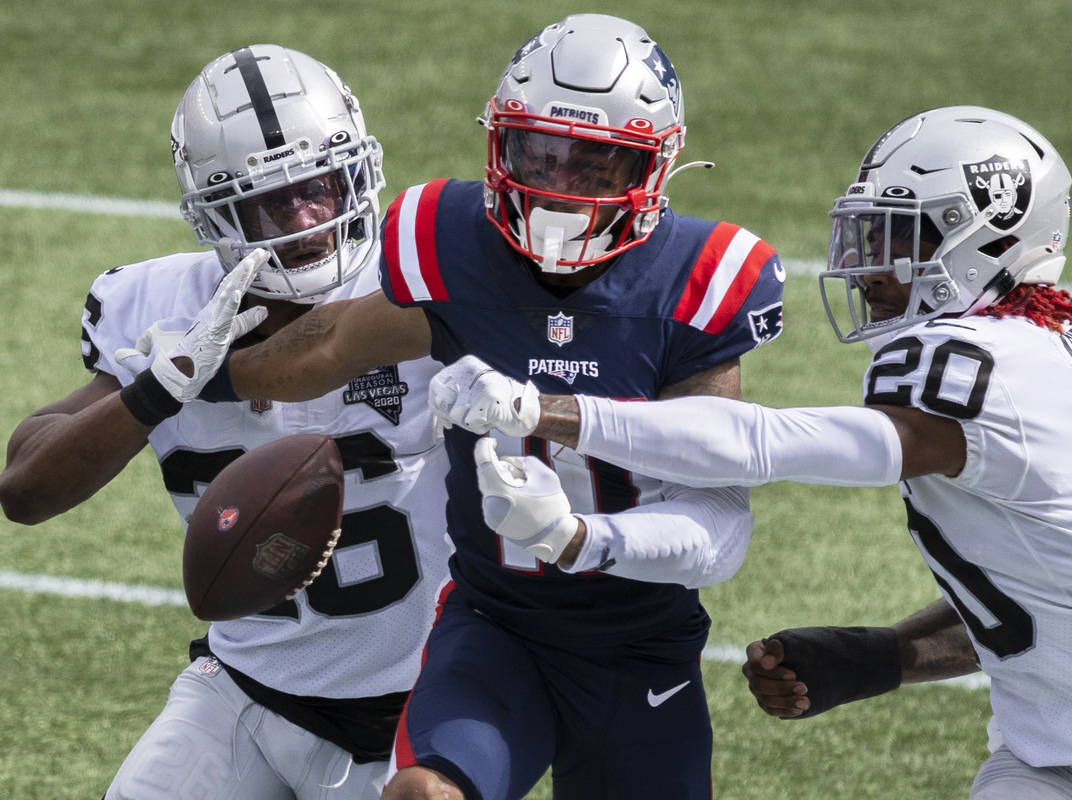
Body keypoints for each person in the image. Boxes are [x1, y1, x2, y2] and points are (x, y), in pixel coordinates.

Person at [429, 106, 1072, 799]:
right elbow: (1045, 596)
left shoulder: (975, 366)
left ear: (991, 244)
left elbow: (757, 443)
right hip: (1067, 746)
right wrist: (887, 655)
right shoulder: (1050, 346)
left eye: (901, 238)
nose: (870, 265)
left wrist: (538, 408)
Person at [134, 14, 786, 799]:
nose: (558, 185)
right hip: (494, 625)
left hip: (637, 647)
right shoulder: (449, 240)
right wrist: (205, 376)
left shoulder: (699, 281)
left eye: (595, 164)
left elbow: (721, 529)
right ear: (498, 139)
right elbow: (327, 345)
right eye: (538, 151)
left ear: (655, 164)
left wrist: (579, 536)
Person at [0, 44, 454, 800]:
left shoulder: (423, 290)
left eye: (320, 184)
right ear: (217, 215)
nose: (308, 220)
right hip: (244, 690)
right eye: (272, 202)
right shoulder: (163, 312)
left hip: (414, 715)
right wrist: (157, 389)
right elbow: (23, 488)